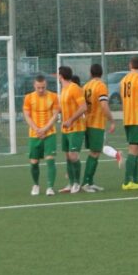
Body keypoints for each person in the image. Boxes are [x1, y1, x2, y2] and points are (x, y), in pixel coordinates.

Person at [81, 64, 119, 192]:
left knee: (94, 152)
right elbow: (104, 106)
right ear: (101, 73)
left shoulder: (86, 86)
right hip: (96, 123)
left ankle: (90, 182)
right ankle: (86, 183)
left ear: (91, 73)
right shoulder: (101, 86)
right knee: (95, 153)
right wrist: (112, 120)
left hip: (87, 122)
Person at [23, 75, 60, 196]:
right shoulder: (28, 98)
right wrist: (37, 130)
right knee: (34, 162)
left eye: (43, 87)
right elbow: (27, 116)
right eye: (38, 87)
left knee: (50, 160)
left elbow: (55, 116)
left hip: (49, 133)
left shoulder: (53, 96)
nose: (41, 90)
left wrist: (44, 129)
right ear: (34, 86)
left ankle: (50, 187)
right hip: (34, 134)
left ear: (46, 85)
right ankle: (36, 185)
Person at [120, 57, 138, 190]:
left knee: (137, 149)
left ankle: (136, 181)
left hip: (127, 118)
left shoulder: (123, 80)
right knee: (133, 149)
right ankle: (127, 182)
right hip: (136, 118)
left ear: (130, 65)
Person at [58, 66, 88, 194]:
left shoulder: (74, 88)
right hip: (65, 129)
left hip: (76, 128)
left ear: (60, 76)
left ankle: (76, 183)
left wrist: (71, 120)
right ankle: (70, 183)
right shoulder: (63, 89)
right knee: (67, 156)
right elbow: (63, 108)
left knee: (73, 155)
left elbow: (83, 107)